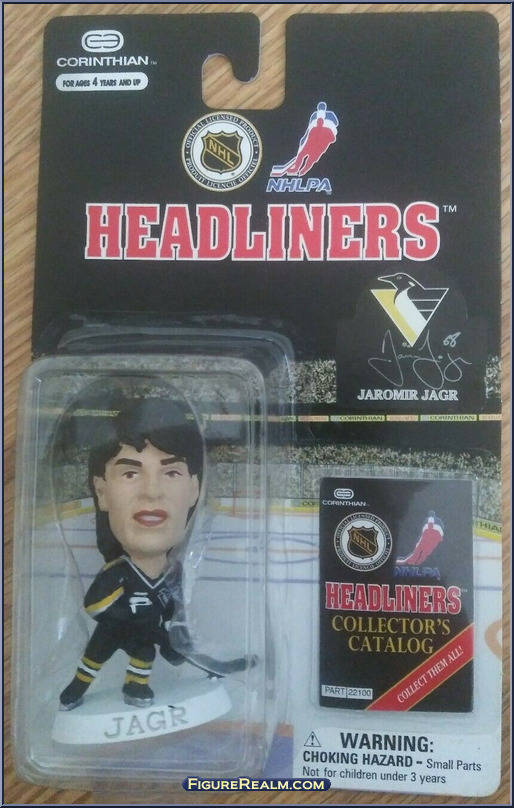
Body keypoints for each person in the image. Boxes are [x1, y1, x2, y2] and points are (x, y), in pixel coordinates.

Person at [59, 396, 203, 710]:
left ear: (194, 489)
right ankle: (74, 690)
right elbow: (94, 605)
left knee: (145, 654)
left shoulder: (173, 573)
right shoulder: (118, 574)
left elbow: (173, 609)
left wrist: (176, 637)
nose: (151, 492)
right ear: (101, 491)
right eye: (130, 473)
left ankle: (135, 688)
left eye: (171, 472)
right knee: (93, 660)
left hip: (144, 637)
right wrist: (128, 618)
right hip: (111, 633)